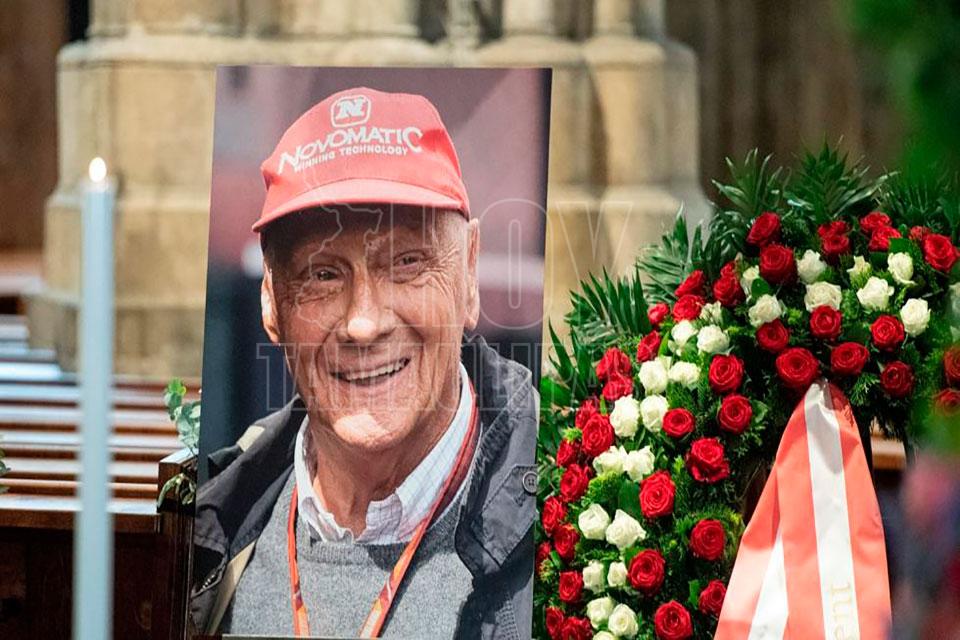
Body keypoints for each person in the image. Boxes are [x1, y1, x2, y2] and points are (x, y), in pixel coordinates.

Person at [188, 87, 538, 639]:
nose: (364, 324)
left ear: (469, 273)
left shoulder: (576, 517)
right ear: (271, 302)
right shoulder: (210, 530)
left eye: (406, 263)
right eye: (323, 274)